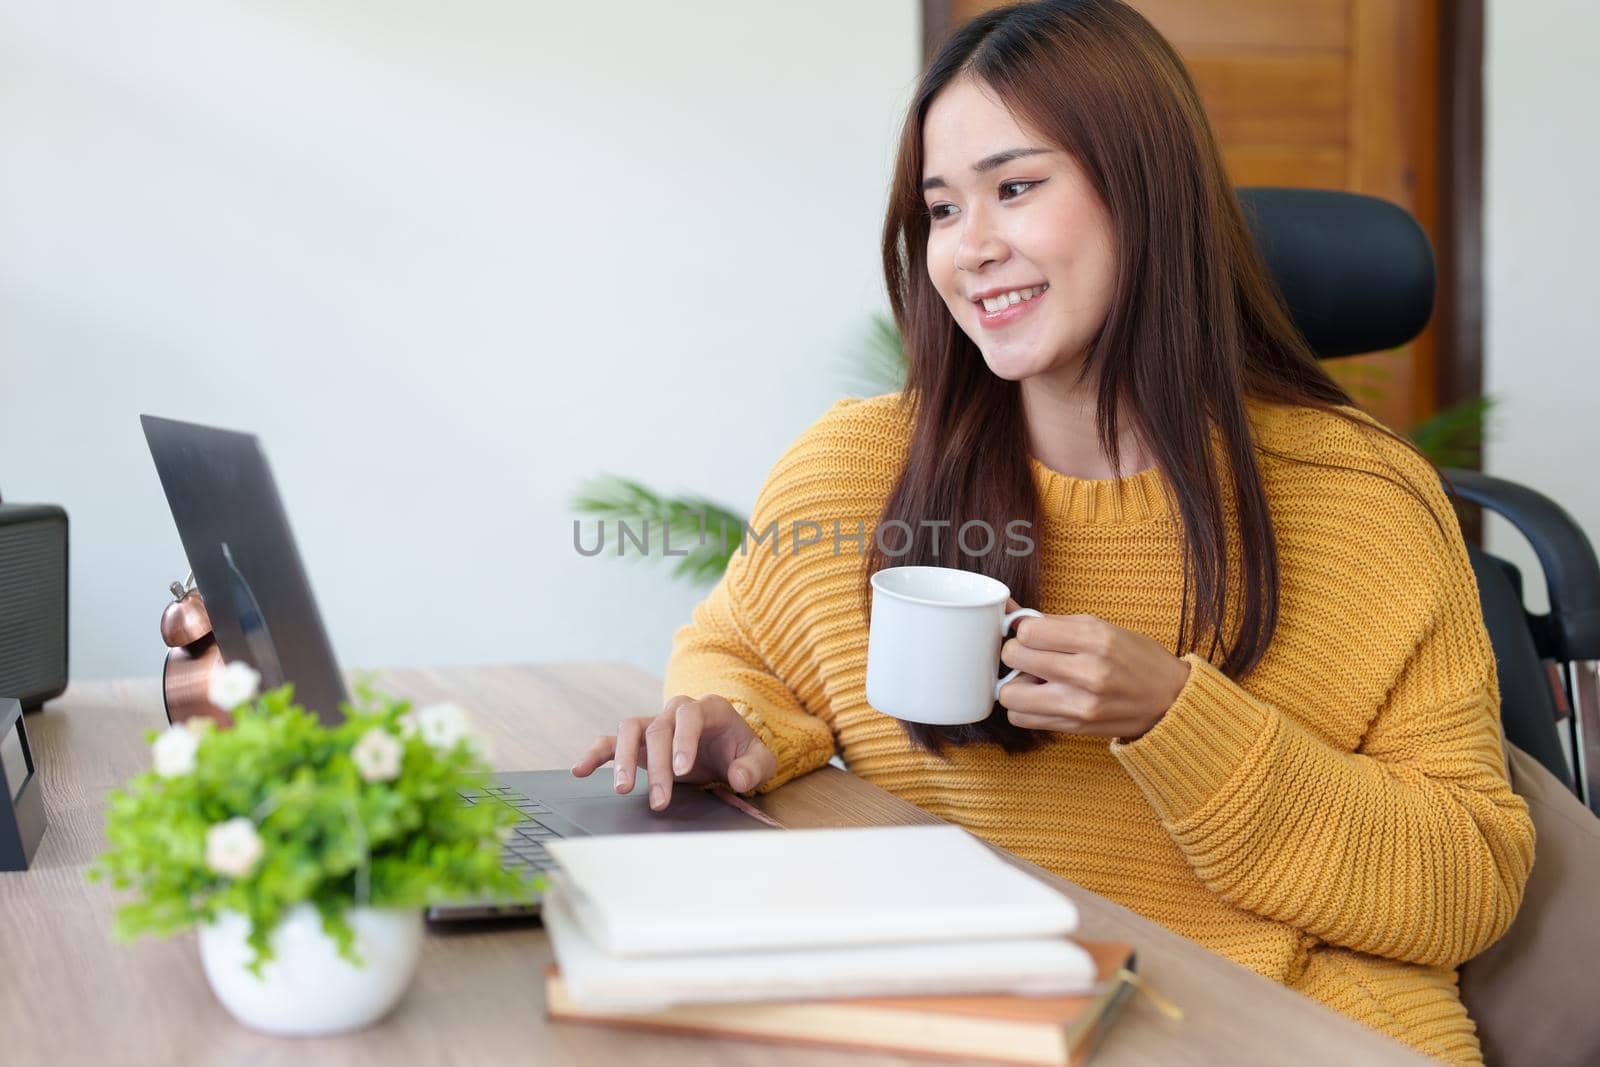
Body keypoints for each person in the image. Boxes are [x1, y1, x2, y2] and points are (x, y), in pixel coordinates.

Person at [571, 2, 1534, 1062]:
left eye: (1015, 188)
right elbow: (742, 651)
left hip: (1280, 1024)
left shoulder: (1360, 502)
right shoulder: (855, 470)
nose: (970, 248)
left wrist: (1174, 715)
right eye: (941, 209)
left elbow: (1467, 885)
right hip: (967, 1013)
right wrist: (737, 726)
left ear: (1145, 195)